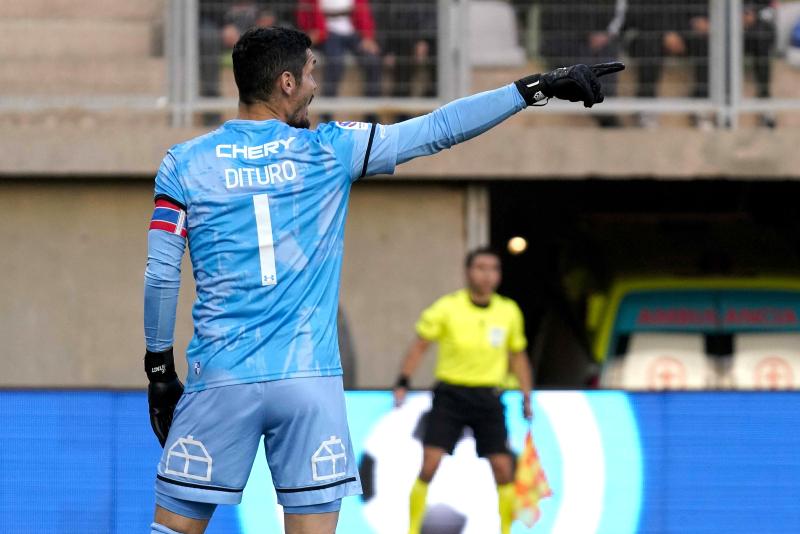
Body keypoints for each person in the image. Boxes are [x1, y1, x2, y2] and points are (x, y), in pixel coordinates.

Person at [143, 26, 622, 534]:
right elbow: (439, 128)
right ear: (285, 83)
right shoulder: (329, 150)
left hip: (220, 381)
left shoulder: (184, 164)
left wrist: (158, 371)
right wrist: (533, 89)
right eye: (309, 73)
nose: (314, 85)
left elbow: (160, 274)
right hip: (309, 383)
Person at [393, 248, 533, 534]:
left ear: (499, 275)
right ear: (468, 272)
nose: (486, 274)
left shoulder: (508, 311)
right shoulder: (447, 307)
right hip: (451, 395)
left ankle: (507, 530)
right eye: (480, 267)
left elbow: (518, 355)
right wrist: (403, 381)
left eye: (493, 268)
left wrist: (526, 396)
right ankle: (412, 529)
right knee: (430, 463)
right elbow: (421, 344)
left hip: (488, 397)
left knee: (504, 468)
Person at [539, 0, 628, 127]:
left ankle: (606, 113)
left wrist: (603, 34)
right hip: (565, 40)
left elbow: (615, 14)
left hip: (594, 40)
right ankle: (604, 114)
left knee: (606, 63)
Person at [297, 0, 382, 102]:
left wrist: (368, 37)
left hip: (353, 32)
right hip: (327, 33)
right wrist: (309, 33)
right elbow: (303, 14)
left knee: (372, 60)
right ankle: (327, 112)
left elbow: (363, 11)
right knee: (335, 63)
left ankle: (371, 111)